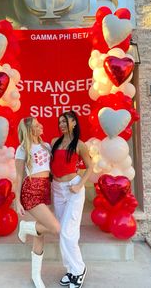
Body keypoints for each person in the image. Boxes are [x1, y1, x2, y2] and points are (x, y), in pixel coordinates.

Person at [15, 117, 60, 288]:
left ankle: (36, 276)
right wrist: (17, 201)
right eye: (36, 125)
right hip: (31, 189)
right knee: (55, 227)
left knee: (40, 235)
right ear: (29, 130)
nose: (41, 126)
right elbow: (18, 176)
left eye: (39, 124)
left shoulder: (46, 146)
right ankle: (25, 227)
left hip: (45, 190)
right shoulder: (22, 149)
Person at [51, 111, 92, 288]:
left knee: (69, 231)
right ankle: (70, 270)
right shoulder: (54, 142)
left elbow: (90, 167)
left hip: (73, 189)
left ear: (74, 123)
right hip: (57, 189)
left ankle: (79, 269)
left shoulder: (80, 145)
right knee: (63, 231)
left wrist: (80, 184)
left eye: (65, 121)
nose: (61, 124)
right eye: (59, 122)